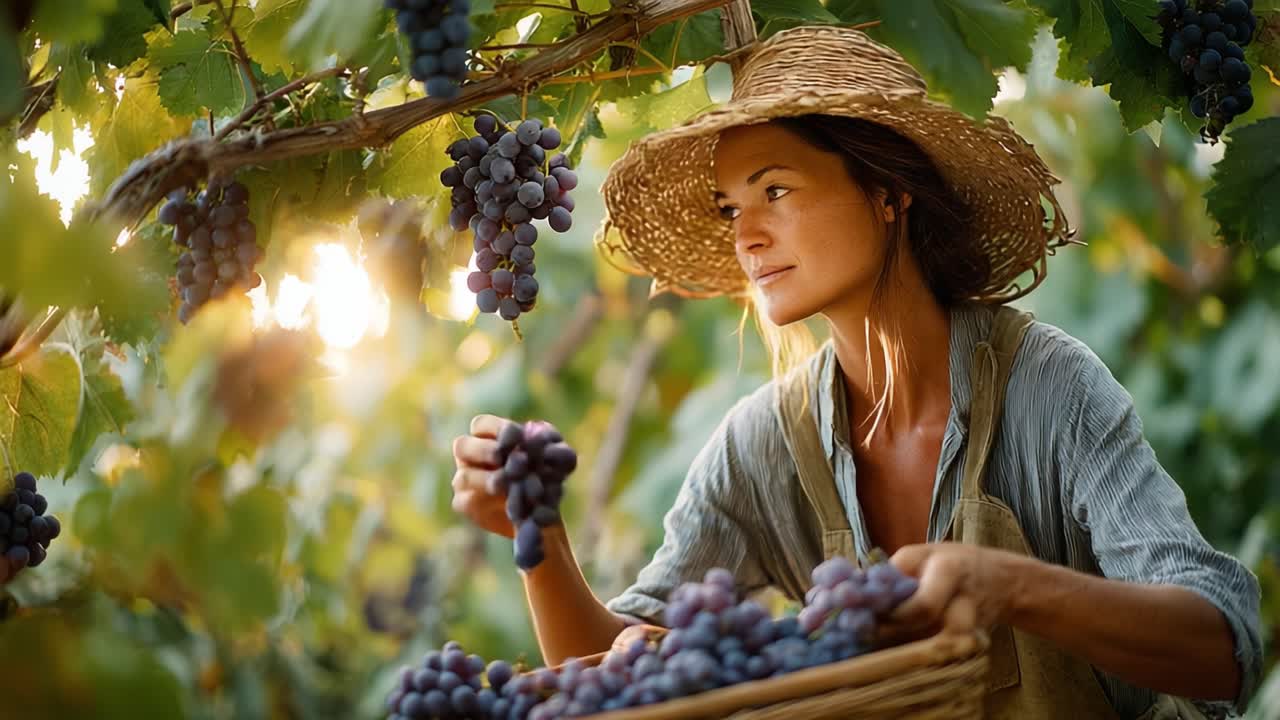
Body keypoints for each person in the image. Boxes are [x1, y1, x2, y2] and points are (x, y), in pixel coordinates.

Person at [451, 25, 1262, 719]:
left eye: (775, 190)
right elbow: (617, 677)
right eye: (732, 208)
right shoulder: (763, 445)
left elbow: (1224, 647)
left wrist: (1010, 586)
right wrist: (539, 538)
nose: (746, 235)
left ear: (887, 194)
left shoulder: (1048, 387)